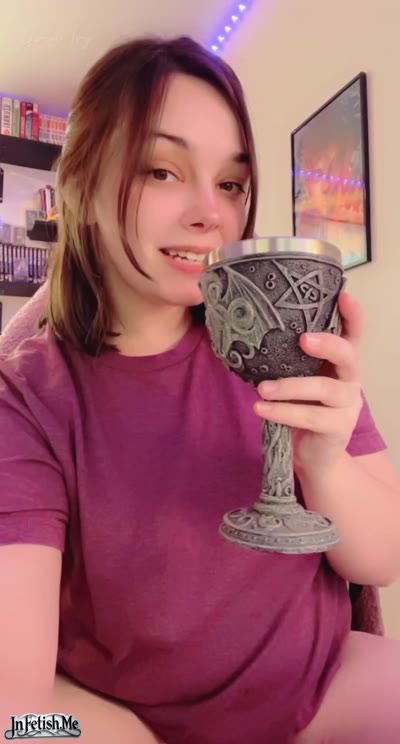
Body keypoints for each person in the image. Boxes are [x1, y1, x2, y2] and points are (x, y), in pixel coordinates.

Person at [0, 35, 400, 744]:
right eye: (162, 170)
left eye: (231, 183)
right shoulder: (27, 399)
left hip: (324, 690)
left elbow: (384, 560)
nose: (210, 214)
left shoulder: (288, 337)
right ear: (81, 186)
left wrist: (324, 463)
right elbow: (18, 713)